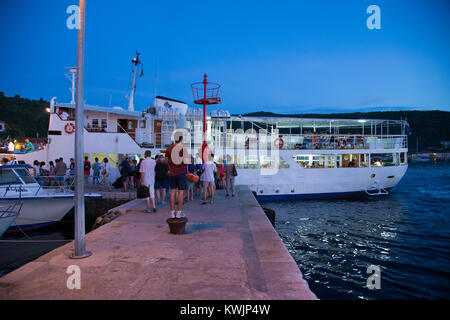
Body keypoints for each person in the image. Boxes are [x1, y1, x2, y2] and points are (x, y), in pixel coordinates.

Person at [165, 134, 189, 218]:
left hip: (172, 173)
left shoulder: (168, 148)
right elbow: (186, 162)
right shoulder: (183, 149)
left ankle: (172, 213)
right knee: (180, 192)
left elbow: (166, 161)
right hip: (181, 172)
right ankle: (179, 212)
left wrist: (171, 167)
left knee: (172, 192)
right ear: (181, 139)